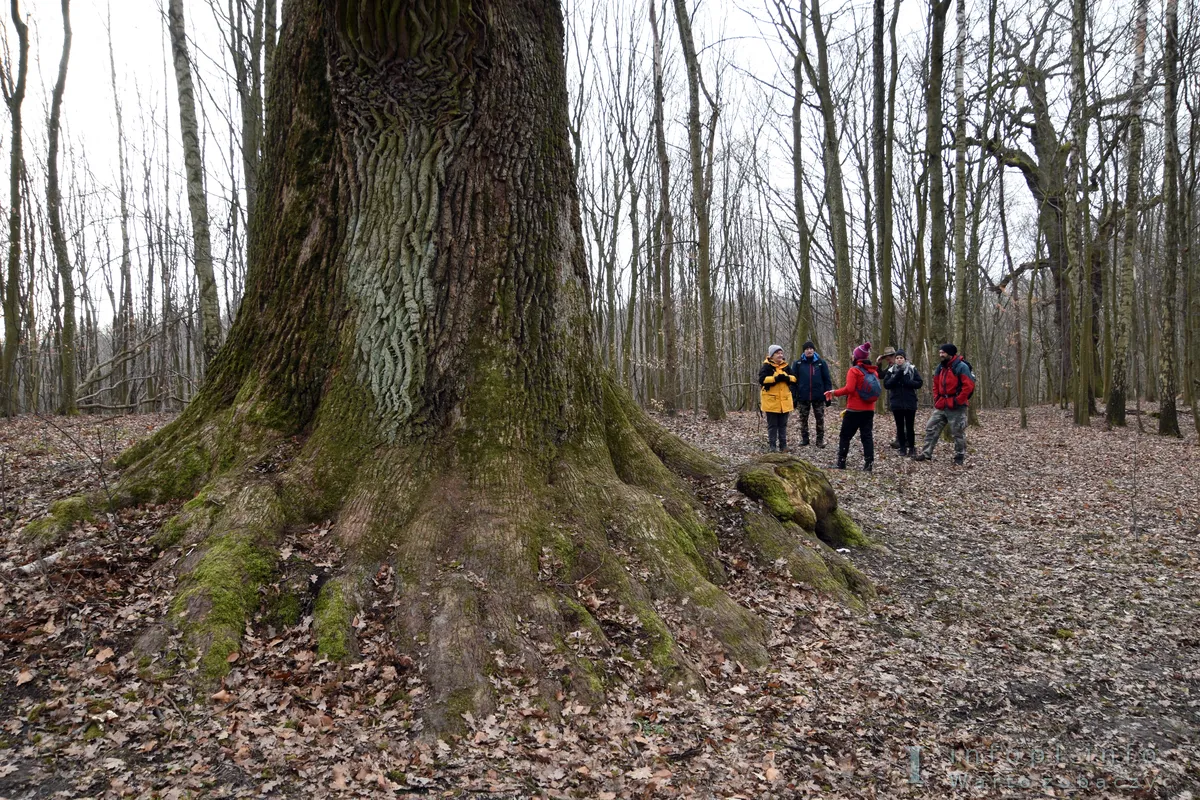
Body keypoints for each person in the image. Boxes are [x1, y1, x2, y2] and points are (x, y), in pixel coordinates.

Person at [914, 343, 975, 465]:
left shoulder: (961, 367)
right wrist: (937, 398)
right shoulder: (940, 367)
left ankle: (959, 456)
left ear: (950, 353)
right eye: (940, 352)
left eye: (943, 352)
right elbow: (935, 384)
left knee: (958, 431)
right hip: (942, 403)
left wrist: (958, 400)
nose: (940, 354)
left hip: (956, 405)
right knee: (930, 427)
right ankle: (926, 453)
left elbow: (968, 386)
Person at [824, 341, 881, 471]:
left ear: (856, 357)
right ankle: (869, 464)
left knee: (845, 436)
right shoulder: (873, 372)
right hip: (869, 409)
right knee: (867, 437)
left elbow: (849, 389)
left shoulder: (854, 371)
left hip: (854, 409)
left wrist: (834, 392)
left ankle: (841, 462)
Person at [788, 340, 832, 448]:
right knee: (803, 419)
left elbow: (827, 380)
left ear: (814, 350)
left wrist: (828, 395)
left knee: (820, 419)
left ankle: (820, 440)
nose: (809, 351)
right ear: (804, 351)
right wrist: (793, 397)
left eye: (811, 348)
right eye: (807, 349)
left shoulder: (821, 363)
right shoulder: (797, 364)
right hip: (803, 396)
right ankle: (805, 439)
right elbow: (793, 382)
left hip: (819, 396)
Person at [882, 348, 923, 456]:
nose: (899, 360)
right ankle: (902, 448)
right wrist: (897, 377)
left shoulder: (912, 369)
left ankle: (912, 448)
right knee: (899, 426)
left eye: (901, 358)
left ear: (905, 359)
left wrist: (907, 382)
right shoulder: (891, 371)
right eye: (897, 358)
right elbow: (886, 385)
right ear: (895, 360)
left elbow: (919, 383)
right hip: (896, 403)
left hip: (910, 402)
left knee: (910, 427)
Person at [759, 344, 795, 452]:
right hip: (771, 402)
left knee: (783, 425)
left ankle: (783, 446)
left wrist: (786, 378)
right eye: (777, 353)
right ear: (771, 355)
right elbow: (762, 380)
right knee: (772, 426)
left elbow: (794, 378)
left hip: (785, 402)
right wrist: (776, 379)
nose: (780, 355)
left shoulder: (786, 366)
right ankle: (772, 446)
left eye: (781, 353)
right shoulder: (766, 367)